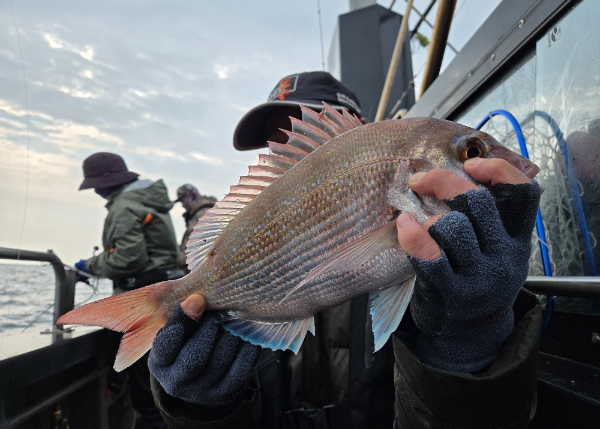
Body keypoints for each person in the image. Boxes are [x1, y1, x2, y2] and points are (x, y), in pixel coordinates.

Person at [147, 73, 542, 428]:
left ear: (362, 137)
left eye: (309, 131)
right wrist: (201, 415)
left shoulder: (447, 271)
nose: (291, 154)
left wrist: (468, 353)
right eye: (278, 144)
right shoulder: (245, 282)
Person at [75, 152, 184, 429]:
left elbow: (128, 259)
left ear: (104, 184)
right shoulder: (148, 199)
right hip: (168, 293)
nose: (96, 191)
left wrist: (88, 266)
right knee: (166, 383)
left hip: (145, 299)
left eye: (95, 185)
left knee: (149, 394)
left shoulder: (124, 206)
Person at [174, 184, 217, 273]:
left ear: (191, 195)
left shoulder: (203, 214)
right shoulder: (205, 211)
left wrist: (178, 261)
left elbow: (196, 250)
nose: (183, 205)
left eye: (183, 200)